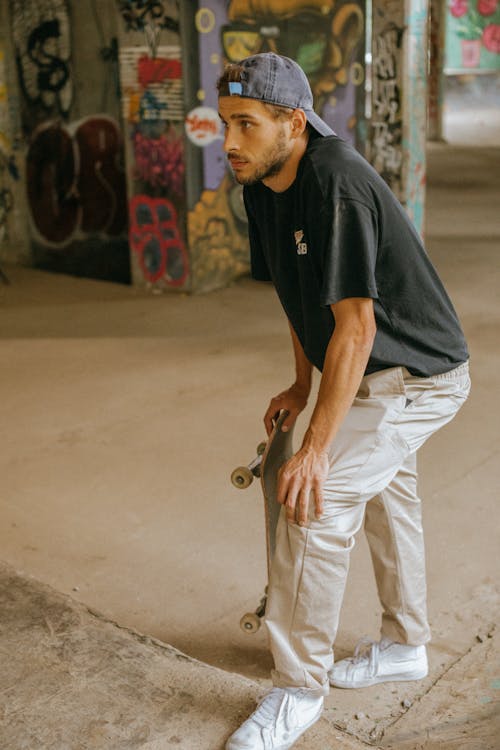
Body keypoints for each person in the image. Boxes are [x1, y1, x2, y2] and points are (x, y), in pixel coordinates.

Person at [217, 52, 470, 750]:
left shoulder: (337, 185)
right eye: (224, 123)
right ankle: (406, 645)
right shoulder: (260, 182)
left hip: (416, 376)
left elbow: (356, 327)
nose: (229, 142)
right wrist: (303, 386)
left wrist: (318, 448)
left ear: (292, 123)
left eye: (246, 124)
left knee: (313, 503)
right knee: (390, 496)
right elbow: (303, 301)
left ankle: (299, 689)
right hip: (369, 368)